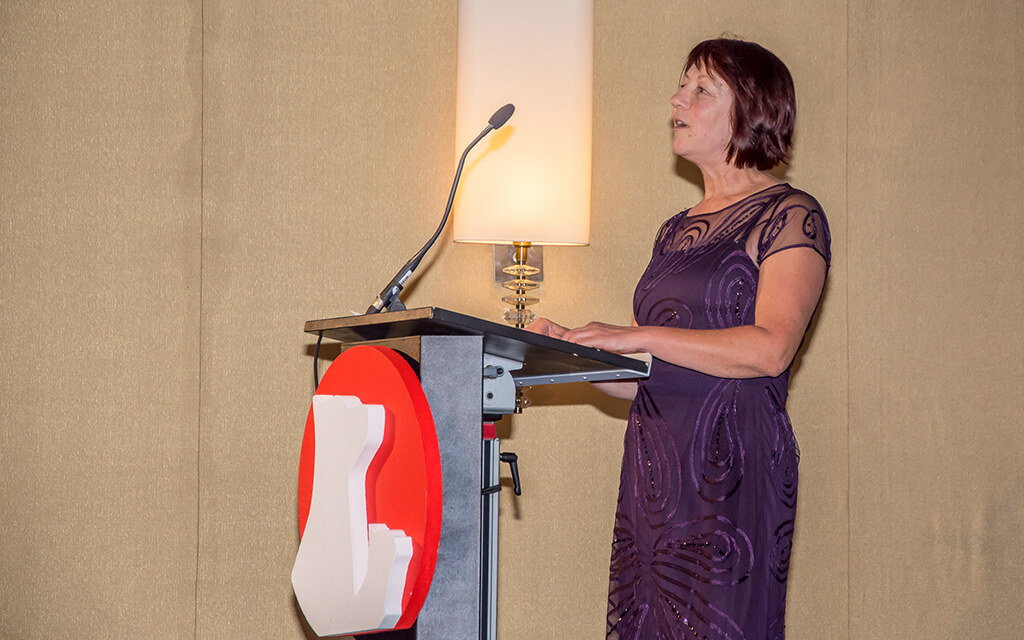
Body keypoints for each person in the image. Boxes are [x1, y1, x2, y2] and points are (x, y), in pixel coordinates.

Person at [529, 38, 831, 639]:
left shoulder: (791, 214)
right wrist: (575, 351)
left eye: (700, 90)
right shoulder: (675, 231)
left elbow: (771, 349)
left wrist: (638, 333)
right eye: (681, 84)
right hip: (658, 473)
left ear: (750, 111)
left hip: (733, 469)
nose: (677, 99)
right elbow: (649, 377)